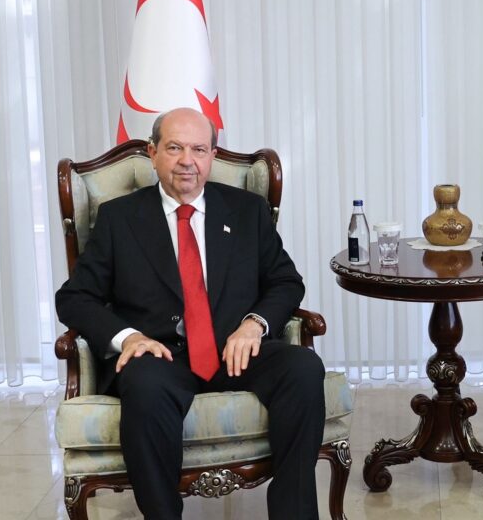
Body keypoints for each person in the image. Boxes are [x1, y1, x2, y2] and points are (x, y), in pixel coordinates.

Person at [56, 107, 325, 519]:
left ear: (212, 155)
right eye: (174, 148)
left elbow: (286, 282)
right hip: (159, 356)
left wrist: (254, 325)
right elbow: (74, 298)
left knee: (303, 367)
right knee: (144, 385)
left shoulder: (247, 211)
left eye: (199, 149)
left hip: (235, 350)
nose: (187, 161)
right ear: (153, 153)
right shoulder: (119, 218)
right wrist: (129, 338)